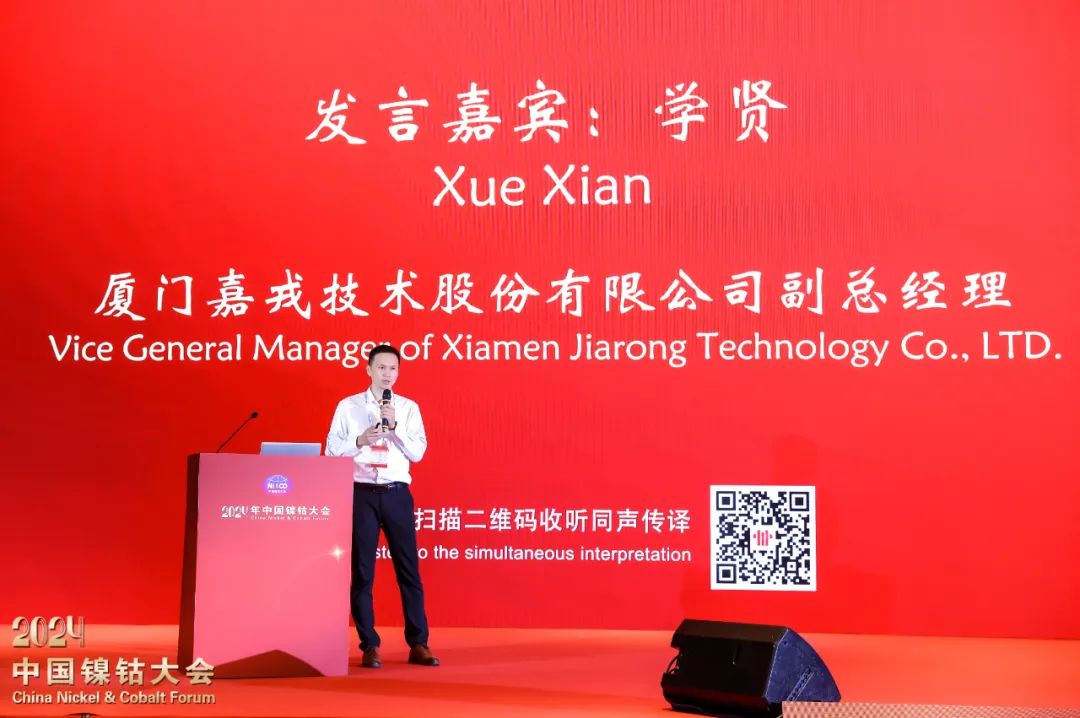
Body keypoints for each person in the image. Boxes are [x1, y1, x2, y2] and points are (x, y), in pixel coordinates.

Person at [325, 344, 439, 668]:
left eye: (393, 368)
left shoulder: (408, 408)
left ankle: (419, 643)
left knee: (409, 570)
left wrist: (395, 428)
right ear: (369, 369)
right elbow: (331, 450)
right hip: (360, 493)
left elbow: (418, 453)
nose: (387, 374)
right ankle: (369, 645)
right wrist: (360, 440)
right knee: (363, 572)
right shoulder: (348, 406)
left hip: (396, 494)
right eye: (381, 367)